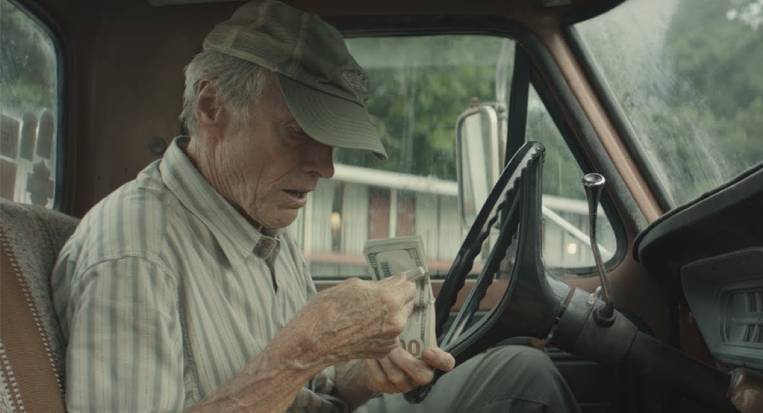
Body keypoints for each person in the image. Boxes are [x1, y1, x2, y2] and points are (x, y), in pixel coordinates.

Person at [51, 1, 580, 412]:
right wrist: (303, 350)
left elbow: (314, 387)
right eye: (298, 133)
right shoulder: (135, 253)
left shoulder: (257, 217)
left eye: (330, 141)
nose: (325, 168)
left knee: (521, 373)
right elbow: (297, 364)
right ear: (212, 106)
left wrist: (361, 376)